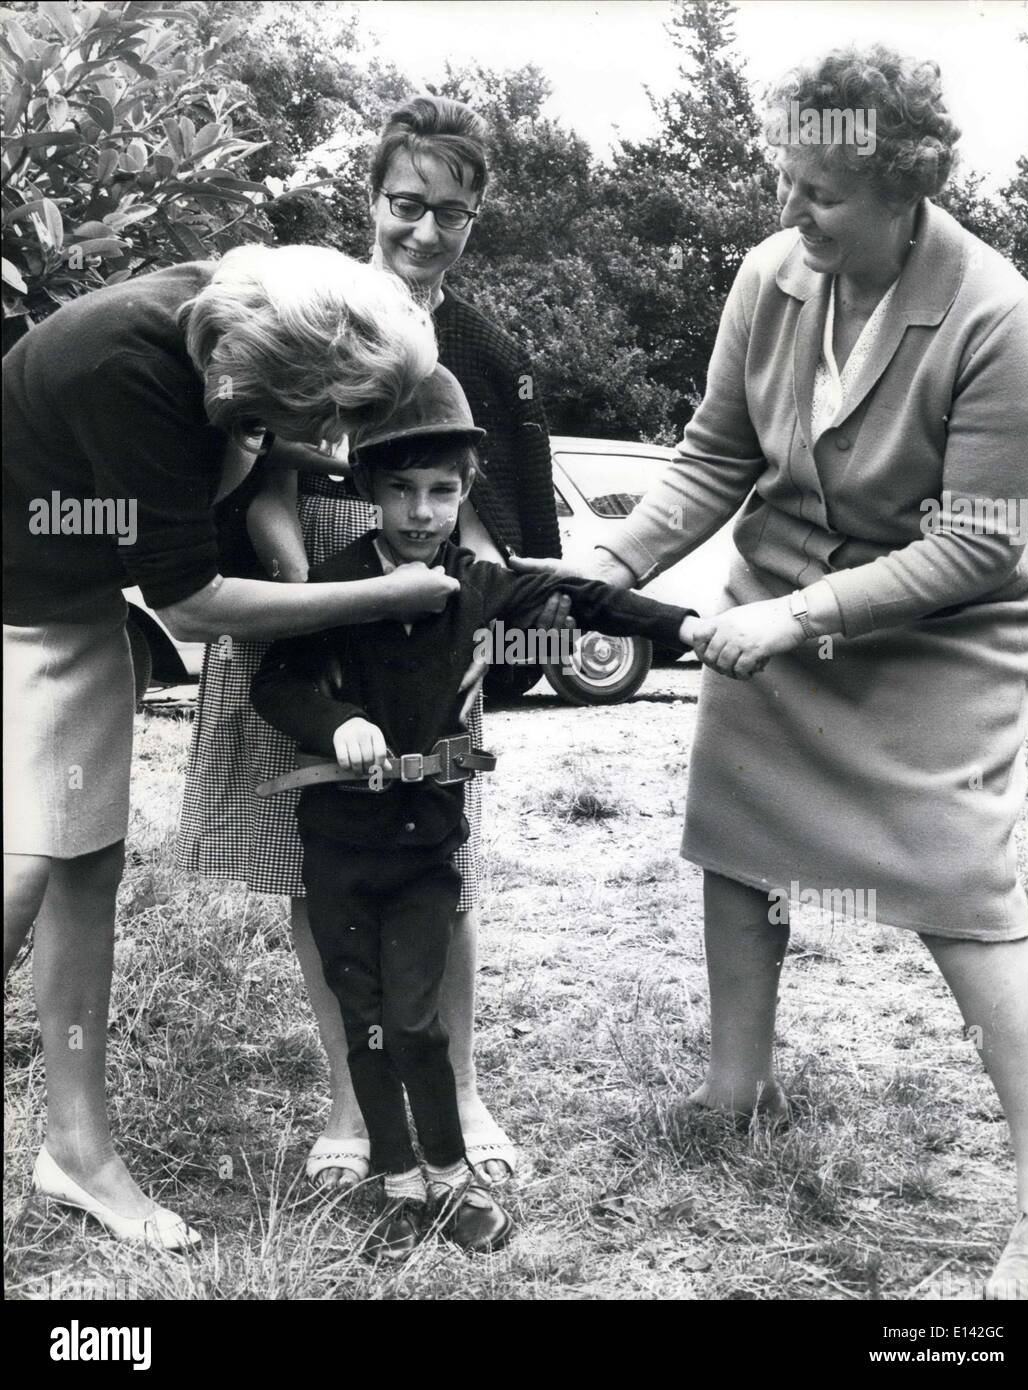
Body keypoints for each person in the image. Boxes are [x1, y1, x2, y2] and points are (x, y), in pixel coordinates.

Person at [515, 46, 1028, 1299]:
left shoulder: (994, 316)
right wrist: (609, 555)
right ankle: (733, 1090)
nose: (785, 210)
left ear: (899, 187)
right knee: (741, 839)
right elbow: (714, 455)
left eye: (816, 191)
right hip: (778, 598)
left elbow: (980, 542)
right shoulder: (771, 275)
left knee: (959, 893)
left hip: (936, 633)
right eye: (783, 179)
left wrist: (805, 615)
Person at [2, 244, 448, 1249]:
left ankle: (74, 1150)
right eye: (324, 413)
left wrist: (292, 452)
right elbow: (194, 602)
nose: (336, 440)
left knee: (81, 866)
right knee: (22, 871)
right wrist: (388, 595)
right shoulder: (131, 369)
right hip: (17, 606)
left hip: (62, 607)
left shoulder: (236, 323)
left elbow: (238, 447)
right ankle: (73, 1149)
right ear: (263, 373)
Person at [177, 95, 563, 1189]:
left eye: (453, 213)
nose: (427, 231)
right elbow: (260, 479)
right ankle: (352, 1100)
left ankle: (464, 1088)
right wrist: (312, 597)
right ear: (372, 199)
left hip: (425, 622)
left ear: (475, 218)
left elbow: (489, 510)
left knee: (435, 858)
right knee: (327, 859)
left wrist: (474, 613)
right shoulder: (314, 309)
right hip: (311, 603)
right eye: (407, 204)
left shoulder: (482, 345)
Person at [250, 366, 700, 1260]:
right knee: (363, 1015)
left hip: (427, 846)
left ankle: (450, 1176)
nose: (422, 512)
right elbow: (277, 683)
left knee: (417, 1019)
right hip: (338, 845)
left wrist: (680, 627)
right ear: (371, 491)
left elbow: (584, 596)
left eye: (442, 493)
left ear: (463, 495)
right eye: (404, 491)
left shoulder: (479, 585)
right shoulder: (334, 587)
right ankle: (395, 1179)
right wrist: (338, 724)